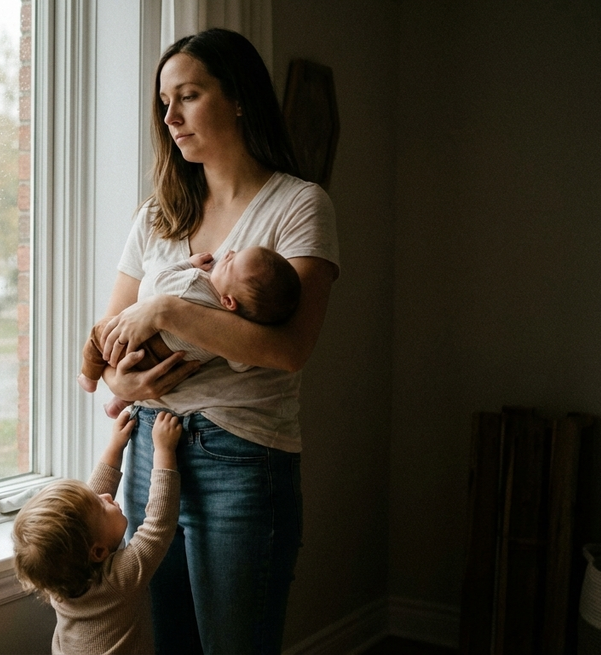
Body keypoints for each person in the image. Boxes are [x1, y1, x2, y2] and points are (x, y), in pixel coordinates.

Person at [95, 28, 341, 654]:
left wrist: (169, 309)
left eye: (189, 95)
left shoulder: (299, 205)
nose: (171, 116)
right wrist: (121, 380)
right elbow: (110, 334)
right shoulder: (158, 213)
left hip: (243, 459)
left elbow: (288, 349)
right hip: (152, 451)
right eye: (164, 102)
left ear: (237, 99)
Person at [12, 410, 183, 655]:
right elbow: (158, 526)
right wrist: (164, 451)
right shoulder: (117, 581)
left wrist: (115, 445)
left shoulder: (58, 583)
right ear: (99, 551)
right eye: (103, 506)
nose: (106, 497)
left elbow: (87, 510)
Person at [78, 246, 302, 419]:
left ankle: (89, 377)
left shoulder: (195, 282)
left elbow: (154, 284)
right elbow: (240, 364)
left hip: (140, 346)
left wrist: (187, 265)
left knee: (101, 331)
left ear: (228, 301)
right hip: (170, 371)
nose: (229, 253)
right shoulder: (232, 329)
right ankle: (121, 399)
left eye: (230, 263)